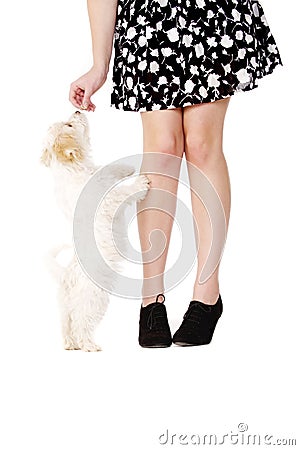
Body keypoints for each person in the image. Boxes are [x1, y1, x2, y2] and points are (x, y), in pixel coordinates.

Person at [69, 0, 283, 348]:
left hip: (213, 11)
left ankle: (206, 295)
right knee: (163, 148)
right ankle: (151, 298)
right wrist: (99, 64)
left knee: (202, 144)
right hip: (150, 16)